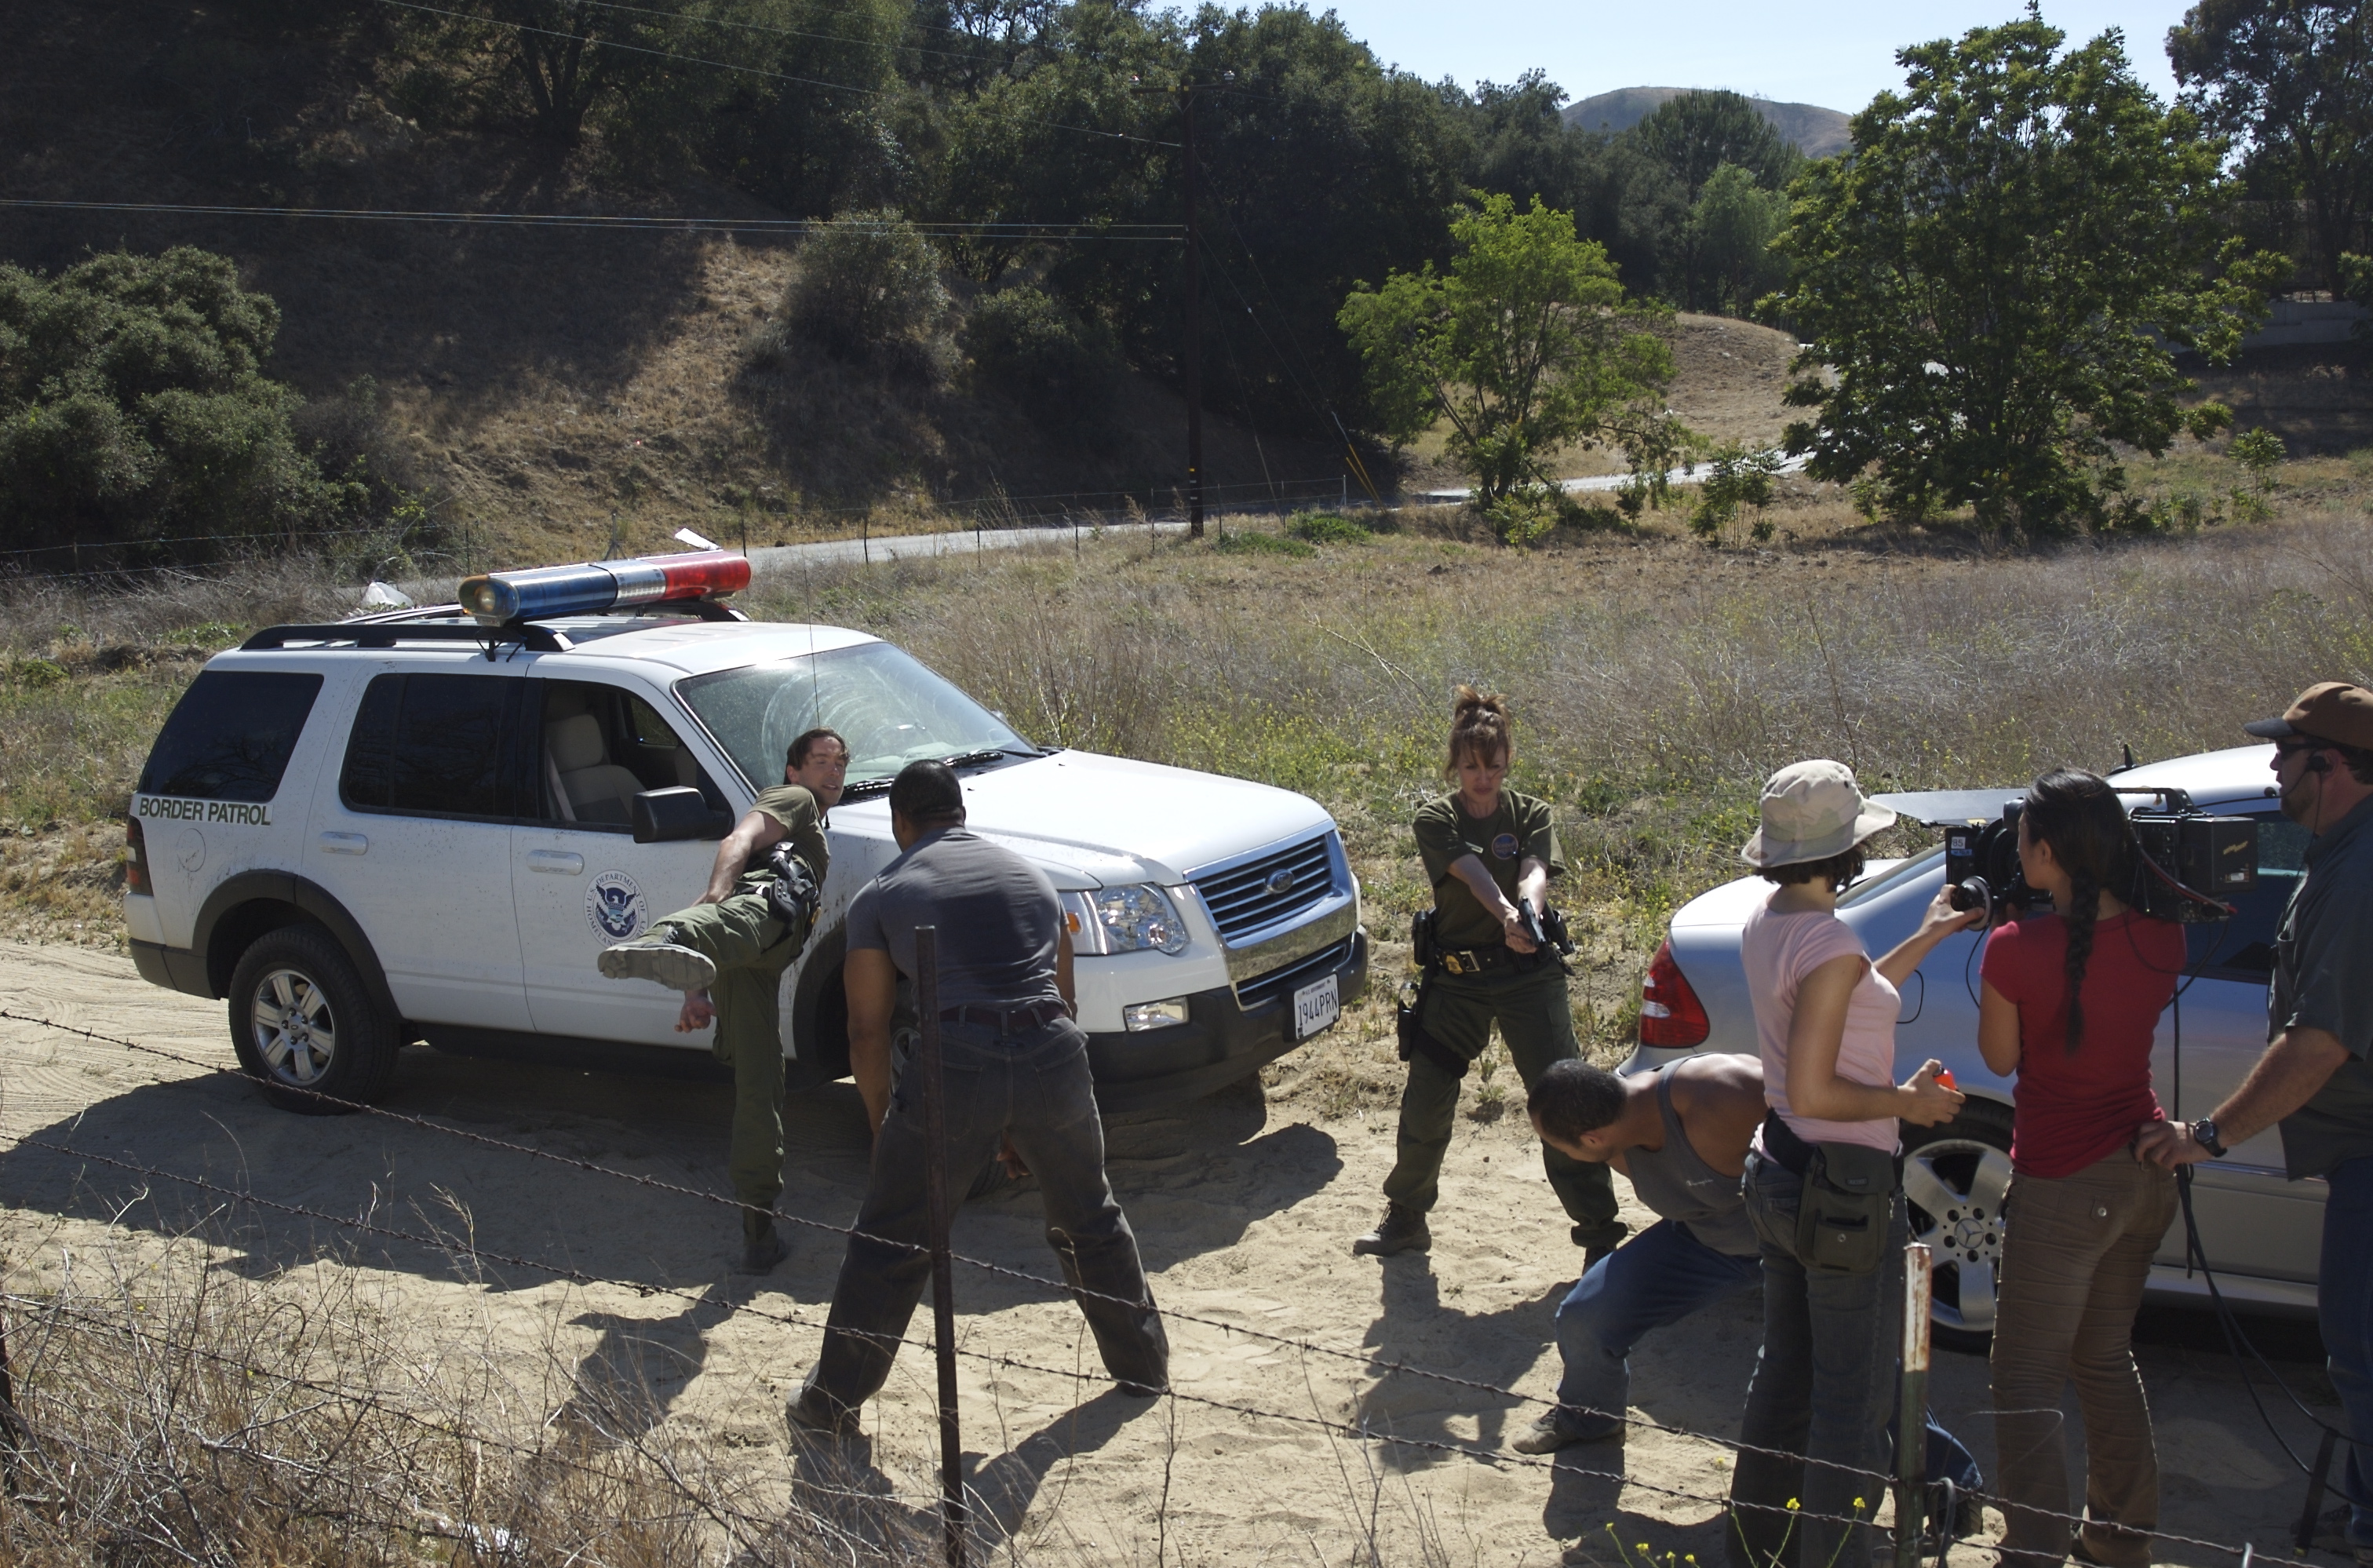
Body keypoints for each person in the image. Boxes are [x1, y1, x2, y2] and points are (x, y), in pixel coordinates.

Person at [787, 760, 1168, 1434]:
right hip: (1054, 1051)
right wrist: (1022, 1117)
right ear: (959, 812)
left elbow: (867, 1029)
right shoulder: (1033, 878)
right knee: (1089, 1213)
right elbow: (1063, 995)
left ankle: (832, 1402)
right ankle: (1143, 1365)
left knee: (890, 1239)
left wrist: (883, 1124)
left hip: (957, 1063)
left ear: (901, 823)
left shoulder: (882, 894)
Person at [1518, 1056, 1985, 1526]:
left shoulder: (1722, 1092)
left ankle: (1952, 1485)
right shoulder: (1616, 1132)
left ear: (1592, 1138)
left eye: (1561, 1147)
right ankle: (1589, 1418)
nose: (1563, 1155)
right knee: (1585, 1317)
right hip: (1705, 1242)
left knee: (1854, 1360)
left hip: (1800, 1245)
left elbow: (1825, 1102)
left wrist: (1905, 1100)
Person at [2139, 681, 2373, 1566]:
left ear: (2334, 763)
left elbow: (2318, 1044)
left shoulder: (2360, 876)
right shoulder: (2340, 852)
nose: (2274, 764)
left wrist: (2209, 1135)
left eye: (2288, 750)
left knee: (2362, 1352)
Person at [1726, 759, 1974, 1568]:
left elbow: (1851, 995)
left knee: (1786, 1374)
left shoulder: (1772, 919)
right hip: (1841, 1188)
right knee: (1853, 1401)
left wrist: (1929, 933)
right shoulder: (1827, 941)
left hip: (1781, 1170)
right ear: (1848, 852)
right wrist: (1910, 1105)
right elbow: (1818, 1088)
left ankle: (1755, 1543)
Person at [1977, 769, 2187, 1568]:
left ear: (2047, 850)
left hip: (2065, 1182)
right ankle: (2119, 1539)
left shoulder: (2015, 948)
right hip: (2142, 1171)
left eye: (2025, 838)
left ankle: (2031, 1550)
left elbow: (2000, 1059)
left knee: (2024, 1381)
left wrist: (2011, 943)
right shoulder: (2162, 936)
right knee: (2103, 1359)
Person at [1354, 686, 1624, 1261]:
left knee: (1564, 1102)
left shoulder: (1531, 813)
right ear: (1456, 763)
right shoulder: (1436, 818)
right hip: (1456, 981)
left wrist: (1529, 908)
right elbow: (1471, 873)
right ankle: (1406, 1217)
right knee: (1426, 1098)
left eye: (1494, 767)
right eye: (1472, 767)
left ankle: (1600, 1234)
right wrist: (1506, 914)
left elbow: (1533, 870)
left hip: (1529, 977)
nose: (1484, 778)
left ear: (1508, 762)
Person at [598, 727, 849, 1273]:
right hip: (759, 920)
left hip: (754, 966)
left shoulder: (812, 815)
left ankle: (759, 1232)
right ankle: (655, 942)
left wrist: (695, 989)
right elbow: (736, 844)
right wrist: (714, 897)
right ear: (793, 771)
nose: (833, 772)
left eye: (839, 763)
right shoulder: (794, 799)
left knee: (761, 1092)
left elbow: (716, 913)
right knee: (733, 919)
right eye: (820, 761)